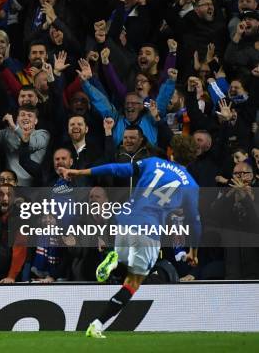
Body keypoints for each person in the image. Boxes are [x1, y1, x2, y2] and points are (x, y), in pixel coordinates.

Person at [58, 134, 202, 338]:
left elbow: (116, 168)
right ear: (192, 158)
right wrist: (193, 252)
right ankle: (99, 320)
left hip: (122, 220)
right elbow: (194, 224)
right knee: (134, 282)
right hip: (148, 230)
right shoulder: (191, 186)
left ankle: (114, 259)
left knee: (124, 260)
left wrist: (78, 171)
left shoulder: (152, 162)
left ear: (171, 152)